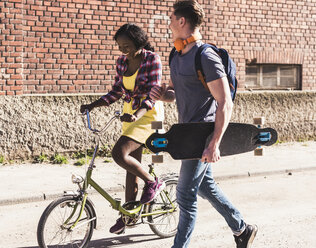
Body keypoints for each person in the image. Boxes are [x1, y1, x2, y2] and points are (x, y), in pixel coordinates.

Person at [150, 1, 258, 247]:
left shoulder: (205, 55)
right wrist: (162, 95)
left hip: (203, 136)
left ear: (182, 22)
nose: (168, 24)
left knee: (185, 195)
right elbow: (177, 93)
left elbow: (225, 102)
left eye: (171, 19)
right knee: (205, 186)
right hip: (185, 135)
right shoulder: (176, 55)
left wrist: (215, 143)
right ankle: (242, 229)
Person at [80, 23, 165, 235]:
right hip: (129, 114)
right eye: (119, 46)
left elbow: (154, 93)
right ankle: (129, 215)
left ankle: (153, 182)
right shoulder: (121, 62)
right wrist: (94, 104)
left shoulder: (152, 59)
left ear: (138, 42)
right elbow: (117, 91)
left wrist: (137, 114)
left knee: (119, 153)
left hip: (149, 115)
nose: (122, 49)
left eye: (126, 45)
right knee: (130, 168)